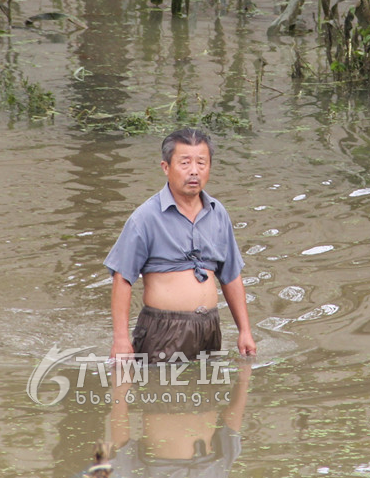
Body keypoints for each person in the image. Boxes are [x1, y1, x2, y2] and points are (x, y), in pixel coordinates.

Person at [104, 128, 256, 362]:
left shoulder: (218, 213)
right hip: (163, 329)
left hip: (210, 328)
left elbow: (231, 276)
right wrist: (121, 339)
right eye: (185, 163)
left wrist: (244, 331)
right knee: (158, 393)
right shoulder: (145, 217)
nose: (194, 171)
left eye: (201, 163)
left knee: (209, 395)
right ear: (166, 167)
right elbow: (122, 278)